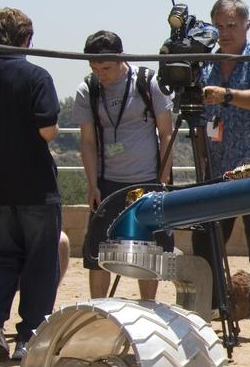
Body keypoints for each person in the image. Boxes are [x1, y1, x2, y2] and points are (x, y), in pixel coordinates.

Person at [193, 0, 250, 344]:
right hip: (218, 171)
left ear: (246, 25)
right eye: (219, 26)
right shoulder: (206, 65)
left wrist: (226, 95)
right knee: (208, 241)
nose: (225, 33)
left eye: (232, 25)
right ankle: (213, 309)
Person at [0, 8, 61, 361]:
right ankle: (31, 335)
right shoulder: (36, 75)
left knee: (3, 257)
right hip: (35, 186)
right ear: (28, 39)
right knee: (41, 261)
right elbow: (47, 129)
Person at [75, 30, 175, 299]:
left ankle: (149, 304)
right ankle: (98, 308)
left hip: (147, 180)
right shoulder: (88, 89)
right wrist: (92, 184)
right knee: (98, 249)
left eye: (106, 67)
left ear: (121, 59)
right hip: (108, 182)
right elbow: (87, 141)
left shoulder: (147, 82)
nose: (101, 74)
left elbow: (167, 133)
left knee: (150, 247)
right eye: (94, 68)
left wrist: (162, 182)